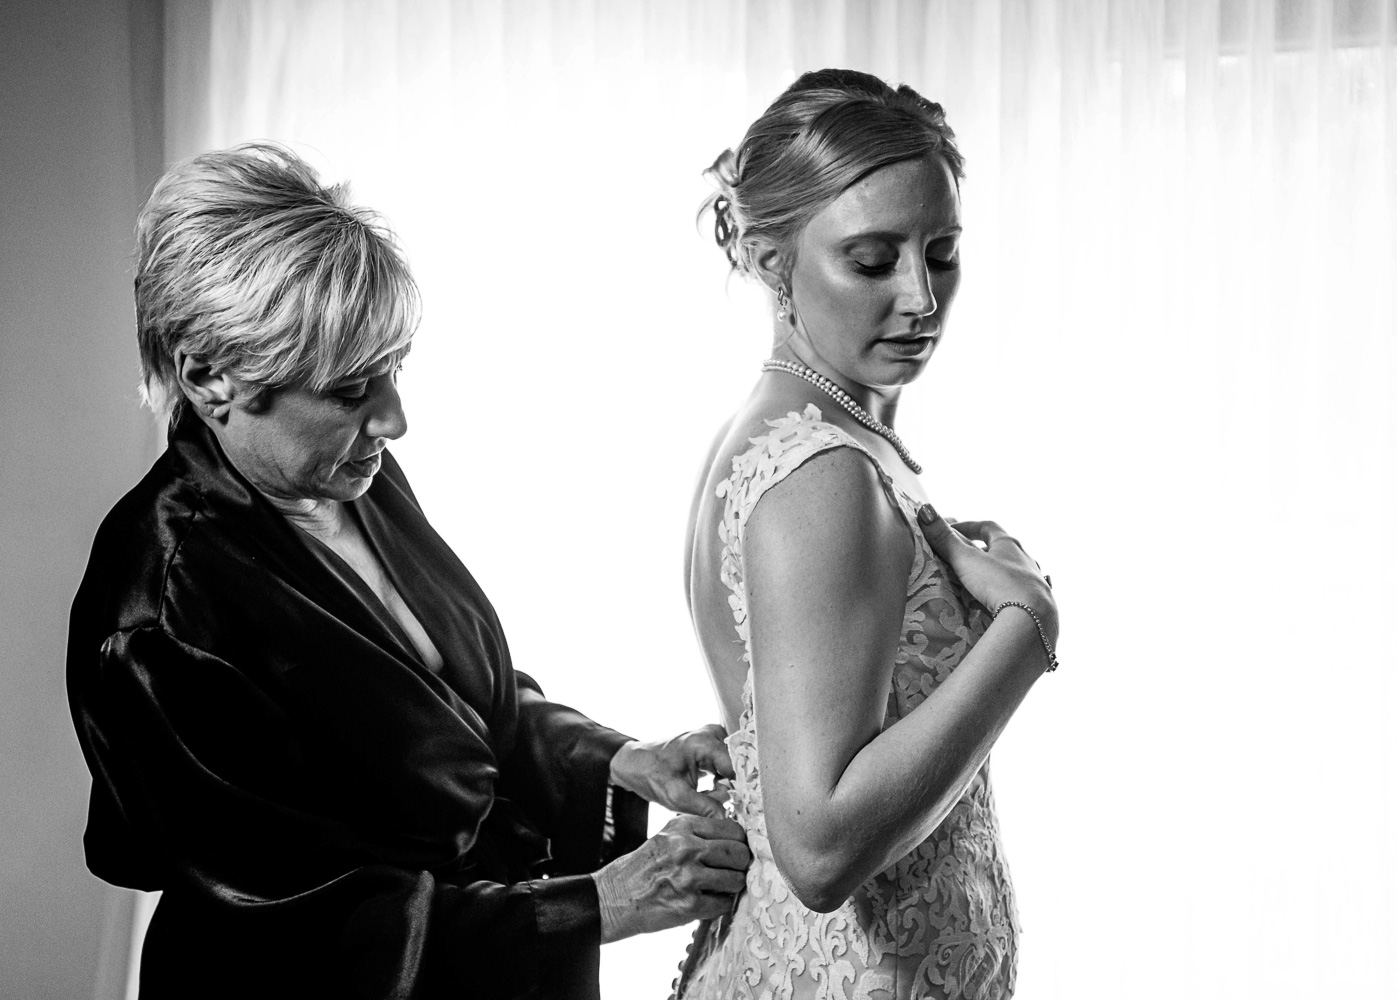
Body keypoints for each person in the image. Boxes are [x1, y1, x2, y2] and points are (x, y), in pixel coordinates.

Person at [67, 143, 750, 1000]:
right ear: (211, 378)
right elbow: (306, 924)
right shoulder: (160, 615)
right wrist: (595, 906)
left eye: (392, 370)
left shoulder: (355, 477)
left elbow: (457, 708)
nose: (395, 418)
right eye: (352, 390)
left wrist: (617, 761)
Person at [674, 70, 1060, 1000]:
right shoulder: (821, 474)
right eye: (874, 260)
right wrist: (1027, 632)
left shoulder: (820, 434)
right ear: (772, 262)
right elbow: (821, 847)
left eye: (943, 250)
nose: (922, 297)